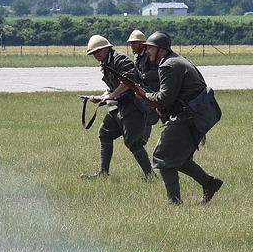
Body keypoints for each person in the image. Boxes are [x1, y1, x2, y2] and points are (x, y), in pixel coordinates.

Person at [129, 31, 224, 205]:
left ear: (160, 50)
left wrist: (144, 96)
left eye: (150, 48)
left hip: (189, 117)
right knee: (179, 159)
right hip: (195, 116)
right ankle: (210, 183)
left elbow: (165, 98)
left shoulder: (168, 65)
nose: (147, 51)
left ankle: (174, 202)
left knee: (162, 157)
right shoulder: (176, 61)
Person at [80, 35, 156, 181]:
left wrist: (111, 96)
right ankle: (103, 173)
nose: (96, 55)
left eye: (98, 51)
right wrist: (101, 97)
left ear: (107, 48)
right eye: (93, 53)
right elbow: (113, 87)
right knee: (104, 133)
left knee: (134, 143)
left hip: (134, 104)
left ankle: (150, 175)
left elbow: (129, 81)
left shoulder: (121, 60)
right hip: (120, 104)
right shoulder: (106, 62)